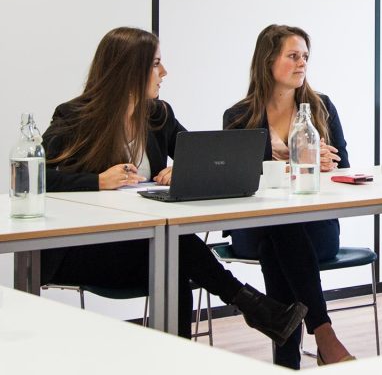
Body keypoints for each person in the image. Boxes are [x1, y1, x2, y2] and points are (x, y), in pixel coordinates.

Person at [41, 26, 306, 342]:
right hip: (83, 248)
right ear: (128, 68)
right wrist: (96, 180)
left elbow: (201, 156)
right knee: (175, 255)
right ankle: (252, 306)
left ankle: (206, 340)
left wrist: (182, 169)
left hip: (140, 243)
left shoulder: (158, 115)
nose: (163, 72)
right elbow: (37, 177)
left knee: (174, 263)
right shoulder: (75, 115)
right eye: (155, 64)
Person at [223, 24, 354, 367]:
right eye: (293, 56)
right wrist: (289, 160)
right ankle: (323, 333)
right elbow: (236, 178)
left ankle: (287, 363)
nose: (302, 64)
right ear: (268, 61)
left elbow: (346, 168)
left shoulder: (321, 108)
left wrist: (327, 165)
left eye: (305, 57)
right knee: (278, 228)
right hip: (253, 228)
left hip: (314, 230)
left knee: (280, 238)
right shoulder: (238, 117)